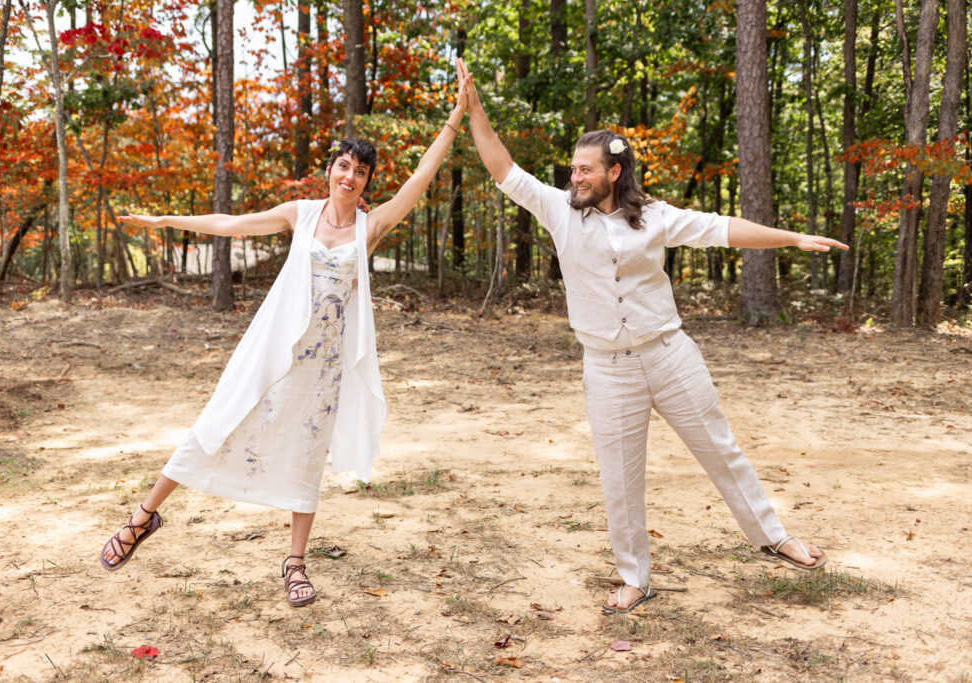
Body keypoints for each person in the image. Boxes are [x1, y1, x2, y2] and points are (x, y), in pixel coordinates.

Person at [457, 59, 842, 612]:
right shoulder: (559, 213)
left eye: (586, 170)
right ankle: (635, 576)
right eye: (573, 169)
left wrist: (794, 238)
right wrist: (475, 111)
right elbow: (503, 168)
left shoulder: (655, 216)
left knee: (720, 449)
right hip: (607, 368)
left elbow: (723, 230)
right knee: (619, 478)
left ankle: (773, 536)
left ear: (614, 172)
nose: (575, 177)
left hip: (670, 355)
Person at [100, 66, 470, 608]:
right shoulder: (299, 215)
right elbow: (230, 223)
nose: (351, 176)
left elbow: (421, 177)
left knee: (306, 453)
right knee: (216, 422)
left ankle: (295, 563)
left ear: (368, 182)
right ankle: (141, 518)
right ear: (329, 171)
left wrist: (456, 117)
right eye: (344, 166)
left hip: (324, 366)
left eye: (361, 172)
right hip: (274, 349)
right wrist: (163, 222)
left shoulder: (371, 226)